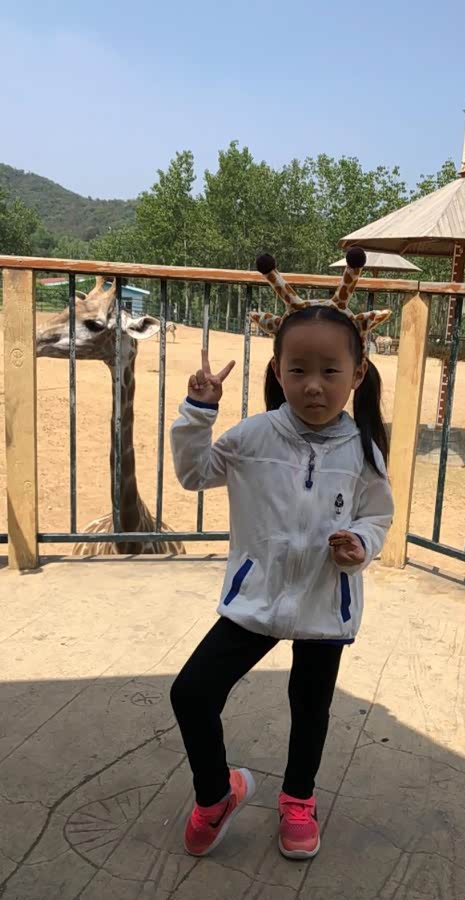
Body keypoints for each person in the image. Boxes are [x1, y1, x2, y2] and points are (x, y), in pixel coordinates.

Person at [169, 248, 394, 860]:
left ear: (358, 373)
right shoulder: (253, 435)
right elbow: (193, 474)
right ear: (277, 369)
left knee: (310, 707)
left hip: (324, 603)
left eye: (330, 370)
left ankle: (298, 799)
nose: (313, 385)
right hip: (258, 596)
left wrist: (361, 544)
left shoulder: (364, 448)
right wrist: (199, 413)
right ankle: (216, 794)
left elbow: (378, 514)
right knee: (191, 693)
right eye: (298, 370)